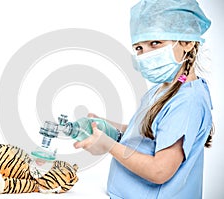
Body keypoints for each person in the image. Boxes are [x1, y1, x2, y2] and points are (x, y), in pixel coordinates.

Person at [73, 0, 214, 198]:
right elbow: (148, 134)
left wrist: (109, 146)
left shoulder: (188, 101)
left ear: (187, 42)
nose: (145, 54)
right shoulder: (164, 89)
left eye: (155, 43)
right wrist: (107, 126)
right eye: (139, 48)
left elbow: (160, 171)